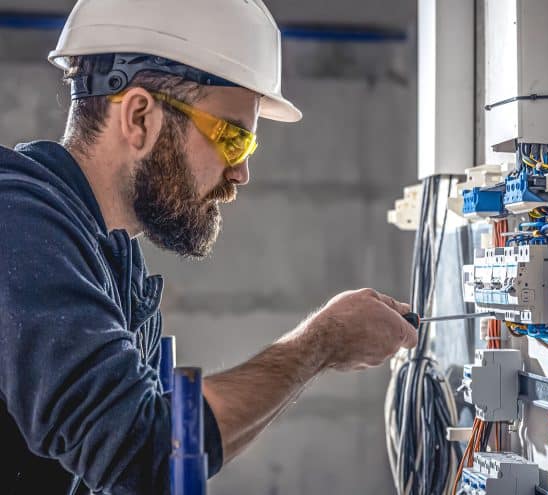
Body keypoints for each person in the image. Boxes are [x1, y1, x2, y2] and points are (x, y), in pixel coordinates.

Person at [0, 1, 417, 493]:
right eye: (232, 138)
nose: (241, 172)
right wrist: (318, 344)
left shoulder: (112, 260)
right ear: (138, 117)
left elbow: (151, 461)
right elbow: (145, 452)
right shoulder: (15, 221)